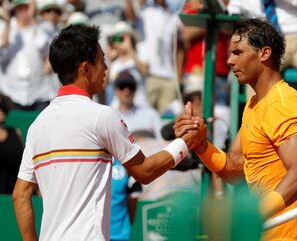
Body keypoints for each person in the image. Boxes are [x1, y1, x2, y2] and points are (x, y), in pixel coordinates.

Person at [12, 24, 201, 241]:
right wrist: (185, 142)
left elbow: (20, 195)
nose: (106, 68)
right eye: (102, 60)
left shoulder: (37, 126)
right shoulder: (101, 116)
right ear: (86, 68)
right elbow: (145, 171)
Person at [174, 18, 297, 240]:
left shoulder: (283, 105)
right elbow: (236, 168)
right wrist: (200, 144)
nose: (229, 60)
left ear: (264, 53)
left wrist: (255, 213)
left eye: (237, 52)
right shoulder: (255, 103)